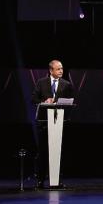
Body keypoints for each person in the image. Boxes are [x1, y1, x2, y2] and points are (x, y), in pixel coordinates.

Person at [31, 60, 74, 188]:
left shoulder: (67, 84)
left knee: (58, 152)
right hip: (44, 122)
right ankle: (40, 180)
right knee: (42, 152)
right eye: (58, 69)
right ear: (51, 70)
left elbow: (71, 101)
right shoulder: (41, 82)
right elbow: (33, 99)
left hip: (59, 122)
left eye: (62, 68)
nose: (61, 71)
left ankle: (57, 180)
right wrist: (44, 101)